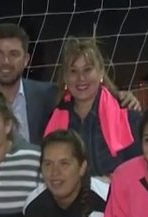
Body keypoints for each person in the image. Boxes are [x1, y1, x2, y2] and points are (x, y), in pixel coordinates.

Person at [0, 23, 140, 151]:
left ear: (26, 59)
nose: (5, 61)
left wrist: (118, 95)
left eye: (13, 54)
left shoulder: (48, 95)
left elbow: (84, 94)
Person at [44, 37, 142, 179]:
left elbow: (139, 171)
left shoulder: (128, 117)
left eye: (87, 70)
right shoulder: (53, 120)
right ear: (65, 77)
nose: (81, 78)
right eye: (73, 71)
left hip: (117, 197)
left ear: (101, 72)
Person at [23, 130, 114, 217]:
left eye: (64, 164)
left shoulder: (107, 202)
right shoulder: (33, 206)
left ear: (82, 167)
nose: (55, 173)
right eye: (48, 164)